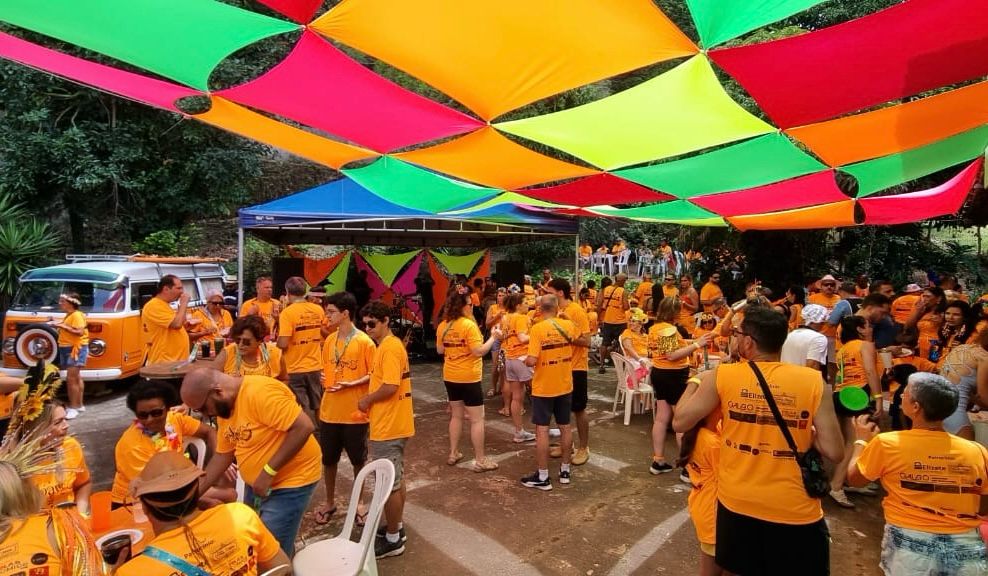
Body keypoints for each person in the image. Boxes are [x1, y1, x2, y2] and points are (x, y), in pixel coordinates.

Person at [673, 307, 843, 576]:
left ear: (748, 341)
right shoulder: (814, 382)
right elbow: (834, 451)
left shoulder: (723, 376)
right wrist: (804, 434)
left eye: (738, 334)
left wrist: (695, 382)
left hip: (737, 503)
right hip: (795, 509)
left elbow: (680, 421)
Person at [847, 373, 988, 576]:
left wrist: (861, 441)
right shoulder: (977, 451)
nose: (901, 396)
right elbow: (982, 506)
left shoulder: (887, 443)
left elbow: (855, 479)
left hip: (910, 548)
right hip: (966, 549)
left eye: (904, 394)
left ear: (915, 407)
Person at [181, 369, 322, 557]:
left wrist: (267, 472)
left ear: (218, 391)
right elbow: (223, 455)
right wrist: (193, 495)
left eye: (203, 409)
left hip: (291, 481)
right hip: (257, 485)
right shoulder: (226, 407)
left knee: (267, 552)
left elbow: (304, 427)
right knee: (257, 539)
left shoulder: (260, 393)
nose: (206, 415)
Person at [117, 451, 290, 576]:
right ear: (198, 491)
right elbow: (282, 569)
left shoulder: (132, 571)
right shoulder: (241, 516)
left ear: (145, 507)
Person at [356, 300, 415, 558]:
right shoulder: (388, 346)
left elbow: (390, 386)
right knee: (396, 479)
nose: (368, 328)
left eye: (372, 324)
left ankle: (393, 538)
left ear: (386, 322)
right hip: (392, 423)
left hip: (389, 425)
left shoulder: (390, 348)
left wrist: (367, 400)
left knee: (388, 484)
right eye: (365, 324)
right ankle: (396, 527)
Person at [315, 291, 376, 525]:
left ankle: (359, 503)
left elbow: (375, 375)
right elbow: (328, 367)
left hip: (355, 414)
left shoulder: (364, 342)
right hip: (329, 411)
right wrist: (323, 377)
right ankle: (329, 501)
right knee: (328, 460)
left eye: (330, 312)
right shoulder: (330, 340)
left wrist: (353, 382)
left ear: (345, 313)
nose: (326, 316)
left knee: (357, 461)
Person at [111, 380, 218, 507]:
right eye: (143, 415)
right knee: (219, 501)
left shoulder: (174, 419)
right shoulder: (132, 446)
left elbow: (210, 431)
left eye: (156, 413)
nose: (150, 420)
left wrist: (218, 461)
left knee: (229, 493)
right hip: (137, 503)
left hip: (174, 485)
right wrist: (197, 501)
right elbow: (151, 491)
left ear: (167, 409)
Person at [436, 292, 502, 472]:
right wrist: (493, 337)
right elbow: (479, 351)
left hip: (450, 375)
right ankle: (480, 460)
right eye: (470, 305)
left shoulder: (443, 325)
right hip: (469, 377)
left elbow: (440, 350)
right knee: (477, 419)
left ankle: (453, 452)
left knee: (456, 415)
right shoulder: (468, 325)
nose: (472, 307)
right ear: (463, 307)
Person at [648, 297, 711, 478]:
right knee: (682, 420)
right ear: (674, 312)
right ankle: (687, 467)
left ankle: (658, 460)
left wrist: (692, 342)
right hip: (672, 376)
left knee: (662, 418)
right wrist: (697, 345)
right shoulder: (668, 329)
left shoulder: (655, 328)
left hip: (660, 374)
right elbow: (671, 355)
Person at [522, 295, 577, 491]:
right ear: (556, 307)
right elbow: (578, 334)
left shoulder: (537, 329)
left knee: (542, 430)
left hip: (544, 387)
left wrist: (525, 360)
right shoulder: (567, 325)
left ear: (539, 308)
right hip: (564, 384)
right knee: (565, 426)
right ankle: (565, 471)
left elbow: (531, 360)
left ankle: (543, 476)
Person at [829, 316, 882, 509]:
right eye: (868, 325)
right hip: (858, 395)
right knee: (855, 443)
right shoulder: (865, 345)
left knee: (849, 442)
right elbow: (870, 371)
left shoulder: (843, 349)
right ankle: (836, 486)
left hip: (842, 394)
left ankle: (850, 480)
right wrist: (878, 397)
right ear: (860, 329)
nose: (871, 328)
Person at [547, 278, 592, 466]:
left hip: (576, 367)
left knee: (578, 409)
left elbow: (587, 341)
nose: (545, 295)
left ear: (559, 293)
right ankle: (569, 444)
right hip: (559, 366)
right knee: (560, 408)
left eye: (549, 292)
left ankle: (584, 448)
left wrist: (567, 332)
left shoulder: (576, 311)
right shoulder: (555, 312)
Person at [676, 399, 722, 576]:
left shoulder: (698, 433)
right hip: (714, 514)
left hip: (702, 506)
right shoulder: (713, 444)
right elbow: (728, 477)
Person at [25, 403, 91, 514]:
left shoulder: (71, 446)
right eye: (57, 422)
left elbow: (83, 484)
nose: (66, 426)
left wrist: (80, 513)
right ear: (38, 428)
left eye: (65, 419)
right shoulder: (18, 465)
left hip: (71, 520)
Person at [277, 276, 327, 420]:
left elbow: (283, 343)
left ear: (287, 292)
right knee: (317, 405)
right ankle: (320, 437)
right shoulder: (318, 309)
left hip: (294, 368)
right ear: (305, 291)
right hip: (315, 365)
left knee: (301, 408)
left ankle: (307, 438)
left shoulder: (287, 313)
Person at [500, 293, 536, 443]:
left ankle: (519, 432)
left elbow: (504, 336)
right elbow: (522, 338)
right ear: (518, 305)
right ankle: (545, 428)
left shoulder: (507, 317)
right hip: (522, 358)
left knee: (517, 397)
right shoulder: (521, 318)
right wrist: (537, 333)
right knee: (541, 392)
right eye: (525, 302)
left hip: (510, 359)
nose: (528, 304)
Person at [939, 330, 988, 440]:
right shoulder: (984, 359)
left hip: (936, 410)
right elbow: (983, 397)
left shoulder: (960, 348)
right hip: (955, 414)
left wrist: (971, 396)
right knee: (970, 456)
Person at [214, 315, 286, 379]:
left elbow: (284, 379)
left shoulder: (274, 354)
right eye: (237, 340)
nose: (240, 345)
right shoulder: (227, 354)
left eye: (246, 342)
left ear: (259, 340)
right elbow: (212, 381)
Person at [52, 293, 88, 419]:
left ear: (71, 303)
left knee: (71, 379)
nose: (60, 303)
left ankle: (73, 407)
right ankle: (79, 404)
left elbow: (80, 332)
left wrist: (62, 326)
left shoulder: (77, 315)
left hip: (75, 348)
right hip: (67, 347)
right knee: (76, 377)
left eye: (62, 301)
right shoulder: (70, 315)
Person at [142, 274, 191, 364]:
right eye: (179, 288)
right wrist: (184, 303)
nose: (182, 292)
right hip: (165, 362)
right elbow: (176, 324)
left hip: (176, 361)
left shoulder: (165, 305)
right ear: (166, 289)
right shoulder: (154, 306)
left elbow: (179, 323)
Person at [780, 304, 829, 374]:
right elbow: (813, 365)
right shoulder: (818, 338)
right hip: (804, 380)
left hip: (784, 377)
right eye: (822, 322)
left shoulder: (789, 335)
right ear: (815, 321)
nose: (824, 325)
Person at [597, 273, 630, 374]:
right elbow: (626, 307)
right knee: (621, 343)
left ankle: (601, 365)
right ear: (621, 281)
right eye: (624, 281)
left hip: (608, 320)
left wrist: (599, 318)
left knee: (605, 343)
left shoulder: (605, 289)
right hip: (620, 321)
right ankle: (622, 365)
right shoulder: (623, 291)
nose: (625, 282)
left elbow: (599, 304)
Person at [809, 274, 842, 377]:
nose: (829, 287)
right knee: (816, 362)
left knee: (833, 363)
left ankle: (832, 387)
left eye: (832, 285)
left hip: (834, 336)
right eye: (826, 284)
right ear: (821, 286)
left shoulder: (839, 299)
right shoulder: (812, 298)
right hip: (818, 335)